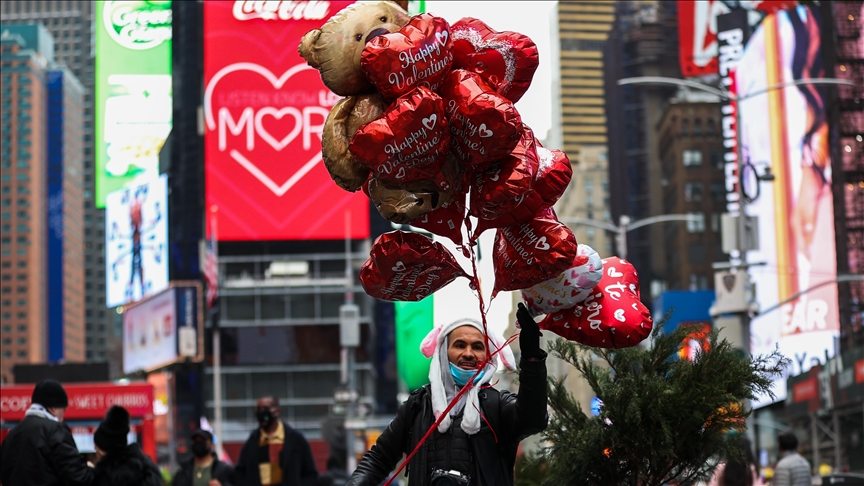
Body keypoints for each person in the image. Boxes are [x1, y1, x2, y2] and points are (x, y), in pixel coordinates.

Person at [346, 303, 548, 486]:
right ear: (443, 351)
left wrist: (532, 360)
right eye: (460, 345)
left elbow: (534, 420)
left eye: (477, 347)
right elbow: (380, 458)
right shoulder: (418, 405)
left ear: (487, 356)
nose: (468, 353)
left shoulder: (499, 405)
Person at [0, 379, 94, 486]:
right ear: (53, 408)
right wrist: (90, 470)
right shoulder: (54, 431)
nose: (62, 417)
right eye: (63, 411)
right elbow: (78, 477)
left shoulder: (11, 435)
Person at [235, 396, 319, 486]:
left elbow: (311, 474)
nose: (261, 413)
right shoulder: (252, 442)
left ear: (277, 411)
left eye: (265, 408)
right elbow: (240, 474)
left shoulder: (296, 440)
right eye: (258, 409)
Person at [92, 405, 162, 486]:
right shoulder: (147, 469)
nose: (95, 452)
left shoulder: (107, 478)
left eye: (97, 449)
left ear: (104, 451)